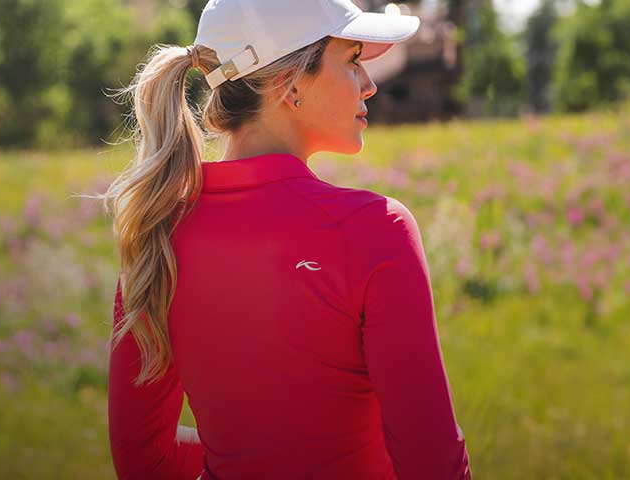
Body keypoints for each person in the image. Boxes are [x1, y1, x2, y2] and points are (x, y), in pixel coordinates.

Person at [96, 0, 468, 478]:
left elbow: (144, 460)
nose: (371, 84)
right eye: (352, 59)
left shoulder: (159, 237)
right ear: (288, 84)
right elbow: (432, 463)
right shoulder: (376, 230)